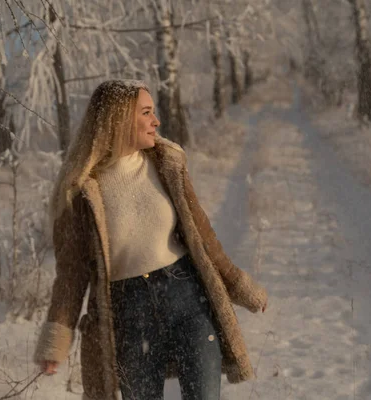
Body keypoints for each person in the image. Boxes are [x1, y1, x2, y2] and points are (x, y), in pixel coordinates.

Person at [33, 79, 268, 400]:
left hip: (187, 298)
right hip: (128, 313)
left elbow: (203, 237)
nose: (156, 121)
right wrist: (56, 339)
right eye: (146, 112)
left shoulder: (167, 163)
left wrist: (239, 285)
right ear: (118, 119)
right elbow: (71, 274)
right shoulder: (81, 191)